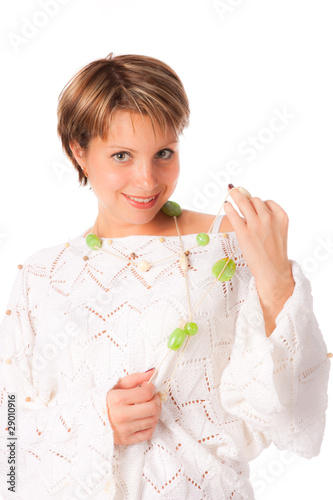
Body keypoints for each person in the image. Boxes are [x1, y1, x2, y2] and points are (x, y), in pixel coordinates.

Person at [0, 52, 330, 500]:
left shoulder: (231, 245)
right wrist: (100, 424)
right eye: (121, 155)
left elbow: (292, 418)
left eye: (164, 153)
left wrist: (277, 283)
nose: (147, 180)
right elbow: (11, 448)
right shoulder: (43, 276)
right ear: (79, 151)